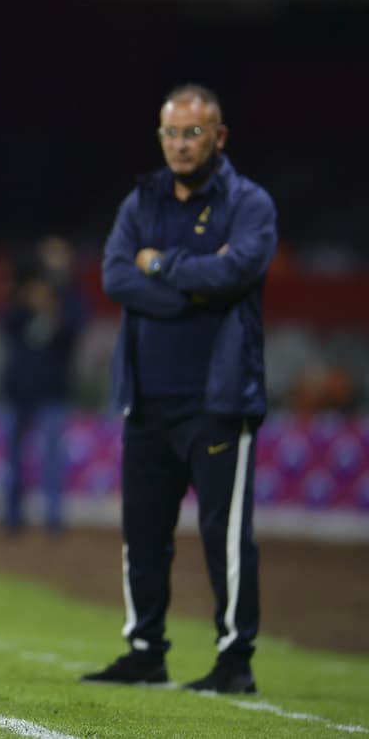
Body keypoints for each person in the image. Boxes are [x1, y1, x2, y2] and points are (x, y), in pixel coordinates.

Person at [83, 84, 276, 694]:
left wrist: (161, 266)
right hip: (147, 398)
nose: (180, 144)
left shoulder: (250, 203)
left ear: (219, 137)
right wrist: (196, 284)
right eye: (171, 132)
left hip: (219, 400)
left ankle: (234, 660)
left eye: (193, 133)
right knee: (143, 533)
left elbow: (237, 271)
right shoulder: (142, 200)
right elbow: (116, 276)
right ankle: (145, 651)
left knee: (227, 539)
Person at [0, 236, 88, 534]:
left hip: (52, 389)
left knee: (52, 457)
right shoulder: (20, 295)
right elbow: (4, 324)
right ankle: (11, 516)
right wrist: (24, 299)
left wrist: (52, 308)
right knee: (12, 457)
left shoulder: (71, 298)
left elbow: (75, 329)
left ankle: (53, 518)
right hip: (17, 388)